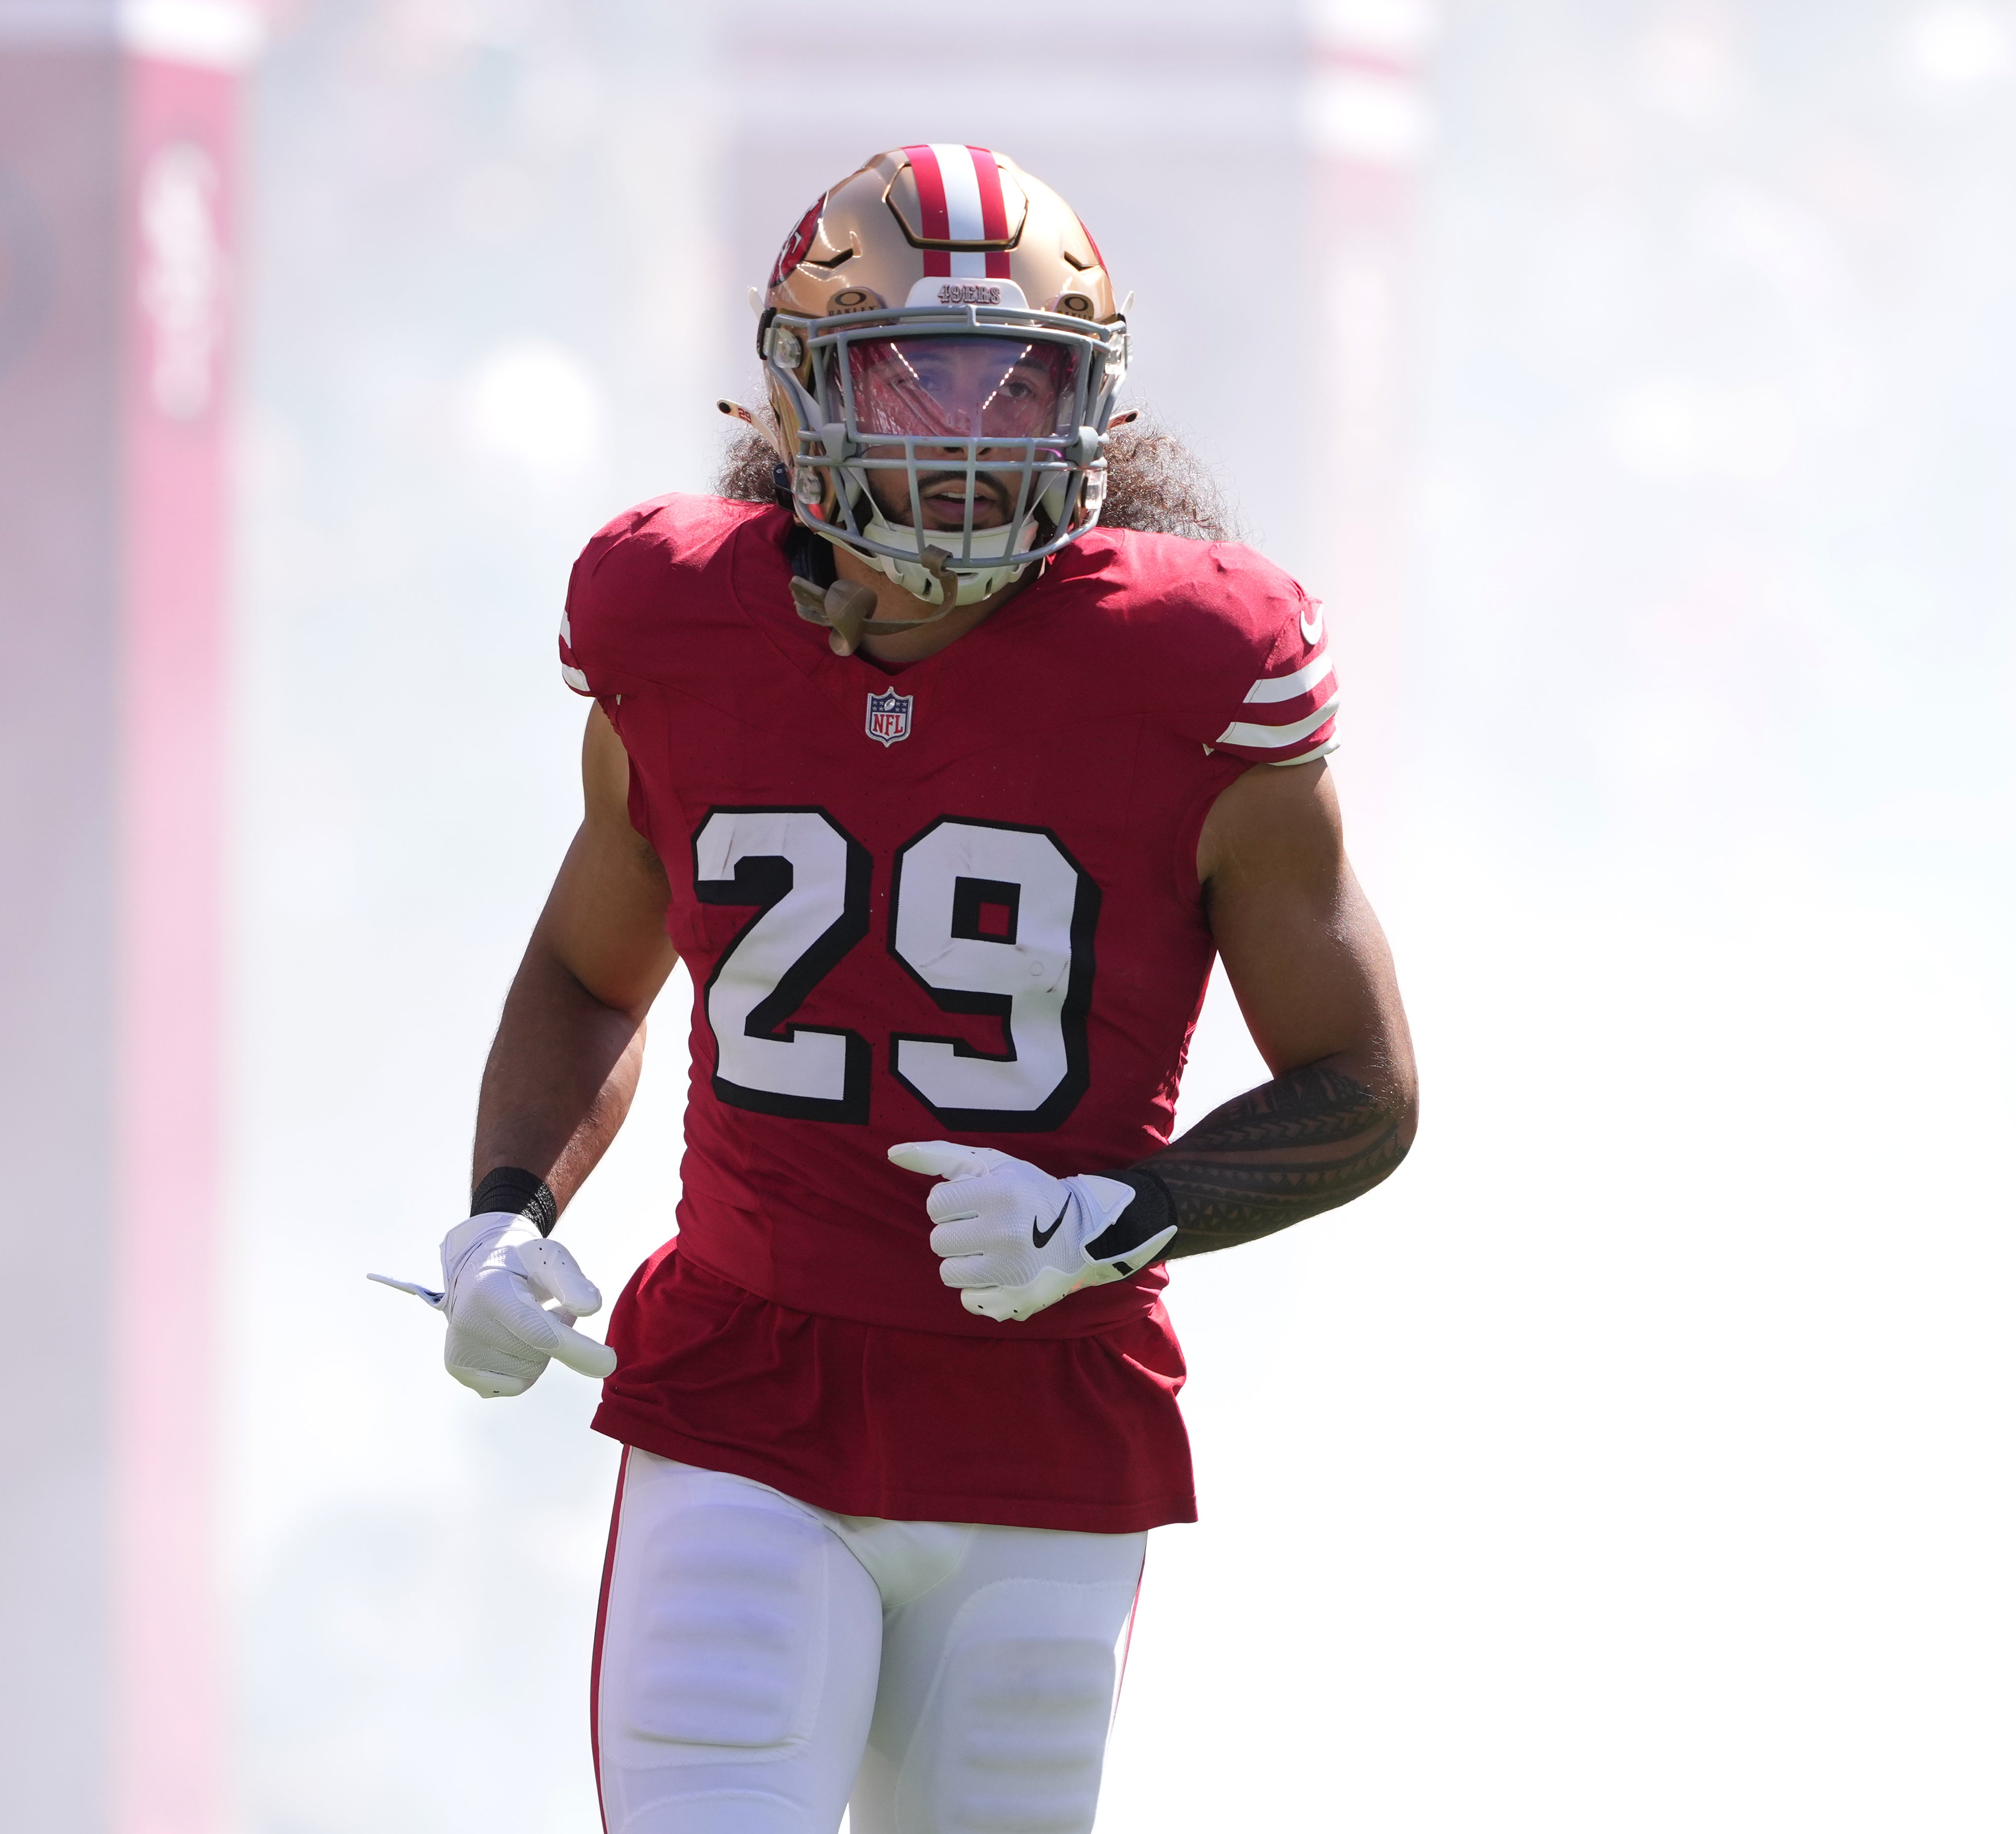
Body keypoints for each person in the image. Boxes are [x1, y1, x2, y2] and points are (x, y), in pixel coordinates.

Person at [415, 144, 1417, 1834]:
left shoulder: (1195, 670)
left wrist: (1112, 1217)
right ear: (800, 389)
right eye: (917, 375)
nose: (971, 432)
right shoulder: (676, 626)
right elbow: (592, 971)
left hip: (1043, 1420)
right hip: (740, 1391)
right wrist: (506, 1218)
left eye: (1019, 380)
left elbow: (1361, 1087)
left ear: (1088, 400)